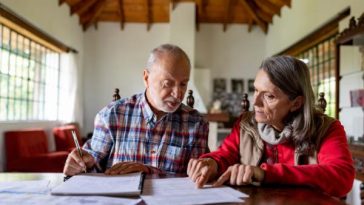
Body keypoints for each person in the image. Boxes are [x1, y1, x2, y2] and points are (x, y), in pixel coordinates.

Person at [187, 55, 355, 197]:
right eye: (256, 90)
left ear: (296, 103)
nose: (256, 102)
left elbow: (342, 177)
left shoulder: (327, 129)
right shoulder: (245, 124)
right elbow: (224, 155)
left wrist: (265, 173)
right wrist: (211, 163)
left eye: (269, 96)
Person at [63, 44, 209, 176]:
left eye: (183, 84)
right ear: (146, 78)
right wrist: (79, 166)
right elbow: (93, 169)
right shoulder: (111, 115)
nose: (178, 94)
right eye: (167, 84)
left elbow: (196, 179)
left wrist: (147, 171)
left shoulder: (196, 124)